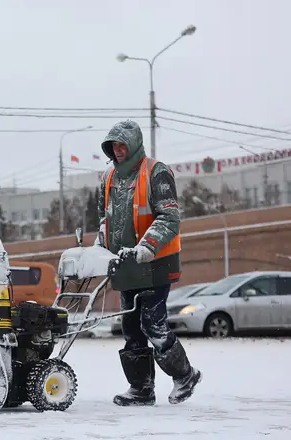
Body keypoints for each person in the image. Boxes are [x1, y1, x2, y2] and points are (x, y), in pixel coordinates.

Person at [95, 119, 202, 406]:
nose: (118, 151)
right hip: (126, 265)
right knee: (130, 327)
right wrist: (99, 245)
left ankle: (185, 375)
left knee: (152, 323)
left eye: (122, 145)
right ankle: (141, 388)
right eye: (113, 146)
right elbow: (105, 218)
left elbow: (169, 217)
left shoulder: (157, 172)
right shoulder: (108, 177)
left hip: (156, 262)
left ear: (134, 145)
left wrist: (147, 245)